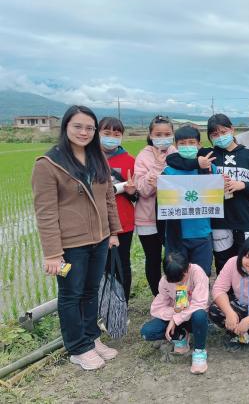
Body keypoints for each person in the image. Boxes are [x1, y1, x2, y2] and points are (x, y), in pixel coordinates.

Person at [32, 105, 121, 371]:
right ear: (66, 127)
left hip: (99, 239)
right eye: (78, 126)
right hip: (70, 245)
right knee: (71, 294)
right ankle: (78, 348)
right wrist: (52, 253)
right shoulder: (48, 164)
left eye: (89, 128)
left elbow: (108, 198)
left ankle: (91, 337)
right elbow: (46, 213)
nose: (84, 132)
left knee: (91, 290)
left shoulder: (97, 158)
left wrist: (113, 232)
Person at [165, 114, 249, 274]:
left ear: (232, 130)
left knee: (247, 259)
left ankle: (245, 289)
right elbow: (173, 159)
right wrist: (198, 162)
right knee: (222, 261)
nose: (220, 137)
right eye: (215, 134)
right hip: (218, 220)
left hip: (244, 217)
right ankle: (225, 288)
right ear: (209, 138)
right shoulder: (206, 154)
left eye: (224, 132)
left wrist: (241, 185)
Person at [140, 252, 209, 374]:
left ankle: (199, 351)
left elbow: (200, 303)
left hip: (193, 318)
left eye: (181, 279)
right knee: (147, 332)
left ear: (188, 268)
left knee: (199, 314)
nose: (178, 283)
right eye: (174, 281)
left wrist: (176, 319)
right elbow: (156, 308)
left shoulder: (197, 273)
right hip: (176, 315)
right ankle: (180, 336)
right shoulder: (165, 281)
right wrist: (175, 314)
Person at [162, 126, 214, 276]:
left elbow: (217, 194)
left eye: (191, 143)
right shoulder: (168, 171)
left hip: (202, 232)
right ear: (176, 145)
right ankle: (180, 294)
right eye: (182, 143)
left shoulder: (210, 168)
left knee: (202, 274)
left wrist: (223, 184)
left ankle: (201, 293)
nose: (187, 146)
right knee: (178, 276)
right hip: (177, 234)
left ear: (199, 144)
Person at [135, 115, 177, 296]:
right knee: (153, 259)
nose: (163, 138)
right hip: (148, 218)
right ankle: (158, 297)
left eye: (167, 134)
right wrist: (158, 165)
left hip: (171, 216)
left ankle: (175, 295)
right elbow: (143, 190)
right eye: (158, 134)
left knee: (174, 259)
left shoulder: (176, 152)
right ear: (150, 135)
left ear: (173, 134)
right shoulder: (143, 156)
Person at [98, 116, 137, 302]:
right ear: (98, 134)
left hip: (123, 222)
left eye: (116, 134)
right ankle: (103, 307)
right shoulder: (88, 159)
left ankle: (122, 306)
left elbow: (137, 195)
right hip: (95, 223)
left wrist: (132, 191)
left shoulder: (130, 160)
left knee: (122, 265)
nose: (111, 138)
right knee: (100, 267)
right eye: (107, 133)